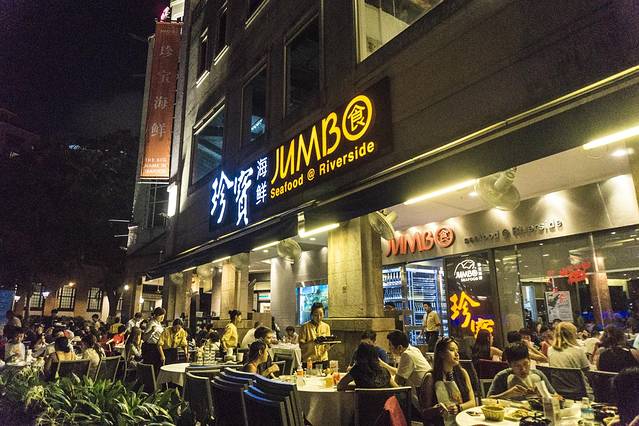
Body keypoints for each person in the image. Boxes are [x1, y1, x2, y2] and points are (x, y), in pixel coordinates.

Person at [421, 337, 476, 426]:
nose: (456, 354)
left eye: (457, 350)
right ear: (441, 354)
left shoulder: (462, 373)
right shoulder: (430, 377)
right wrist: (436, 409)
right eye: (452, 350)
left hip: (463, 421)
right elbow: (424, 412)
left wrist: (458, 408)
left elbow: (473, 402)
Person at [381, 330, 432, 409]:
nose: (389, 348)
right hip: (427, 395)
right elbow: (400, 372)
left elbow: (398, 382)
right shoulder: (414, 349)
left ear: (400, 347)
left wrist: (388, 377)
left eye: (390, 345)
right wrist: (383, 364)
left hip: (418, 399)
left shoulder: (406, 355)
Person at [488, 343, 556, 400]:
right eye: (517, 366)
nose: (523, 369)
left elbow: (557, 397)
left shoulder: (538, 374)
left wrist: (544, 394)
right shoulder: (502, 376)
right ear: (509, 365)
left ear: (530, 360)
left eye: (525, 364)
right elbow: (488, 399)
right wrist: (507, 394)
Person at [141, 307, 166, 373]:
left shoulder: (158, 323)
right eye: (160, 315)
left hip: (157, 347)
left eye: (163, 315)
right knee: (152, 369)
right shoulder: (151, 323)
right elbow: (144, 338)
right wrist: (151, 331)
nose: (162, 317)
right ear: (155, 315)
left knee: (157, 367)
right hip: (151, 348)